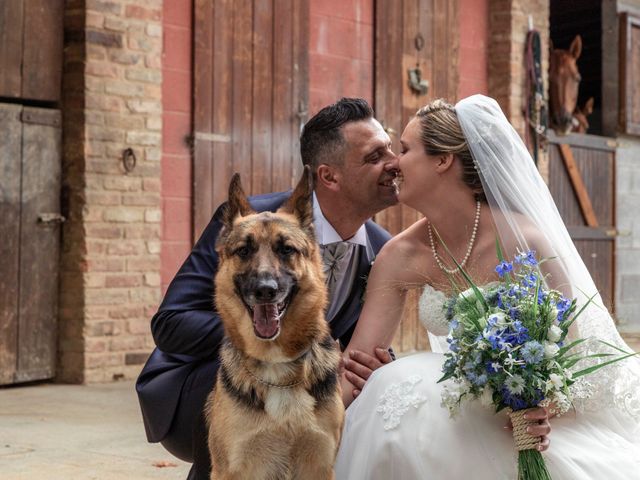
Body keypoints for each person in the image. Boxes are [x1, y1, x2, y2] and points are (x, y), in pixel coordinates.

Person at [335, 95, 640, 479]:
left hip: (526, 418)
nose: (394, 163)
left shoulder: (524, 242)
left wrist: (540, 409)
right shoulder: (399, 255)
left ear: (443, 160)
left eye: (407, 150)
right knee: (392, 386)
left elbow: (570, 363)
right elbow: (357, 364)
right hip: (455, 408)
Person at [135, 97, 398, 480]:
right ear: (329, 176)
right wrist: (268, 341)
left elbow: (361, 338)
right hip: (201, 383)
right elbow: (171, 324)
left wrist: (375, 362)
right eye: (376, 156)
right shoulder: (248, 225)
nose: (394, 163)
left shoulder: (382, 248)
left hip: (306, 384)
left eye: (391, 149)